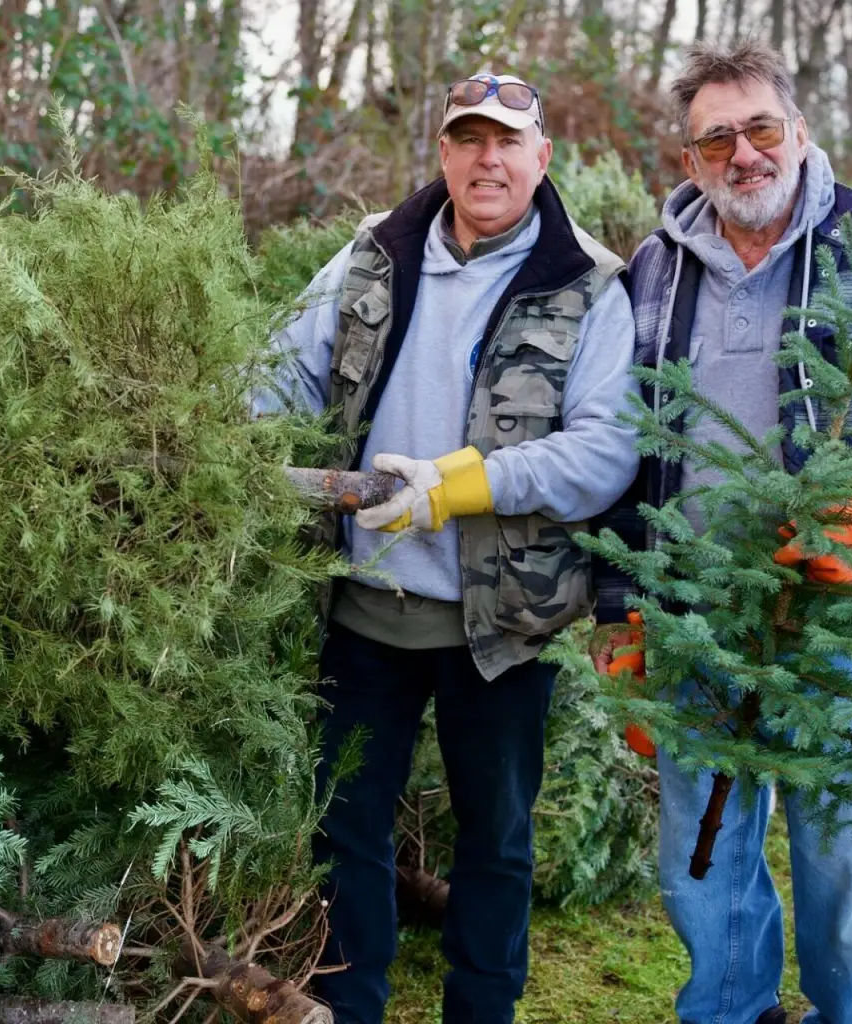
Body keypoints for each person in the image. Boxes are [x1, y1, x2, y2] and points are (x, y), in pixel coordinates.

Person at [589, 41, 852, 1024]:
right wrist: (622, 617)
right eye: (716, 138)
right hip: (693, 631)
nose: (744, 154)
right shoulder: (654, 268)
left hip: (847, 624)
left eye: (761, 128)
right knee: (703, 871)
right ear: (690, 160)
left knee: (851, 871)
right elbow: (623, 447)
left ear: (801, 133)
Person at [256, 71, 640, 1024]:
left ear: (542, 158)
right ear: (443, 153)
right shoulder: (371, 257)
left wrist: (457, 489)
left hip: (504, 623)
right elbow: (277, 378)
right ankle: (348, 1010)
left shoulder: (588, 281)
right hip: (364, 610)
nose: (489, 158)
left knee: (498, 841)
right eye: (469, 138)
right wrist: (212, 447)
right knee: (346, 830)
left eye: (509, 141)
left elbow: (605, 453)